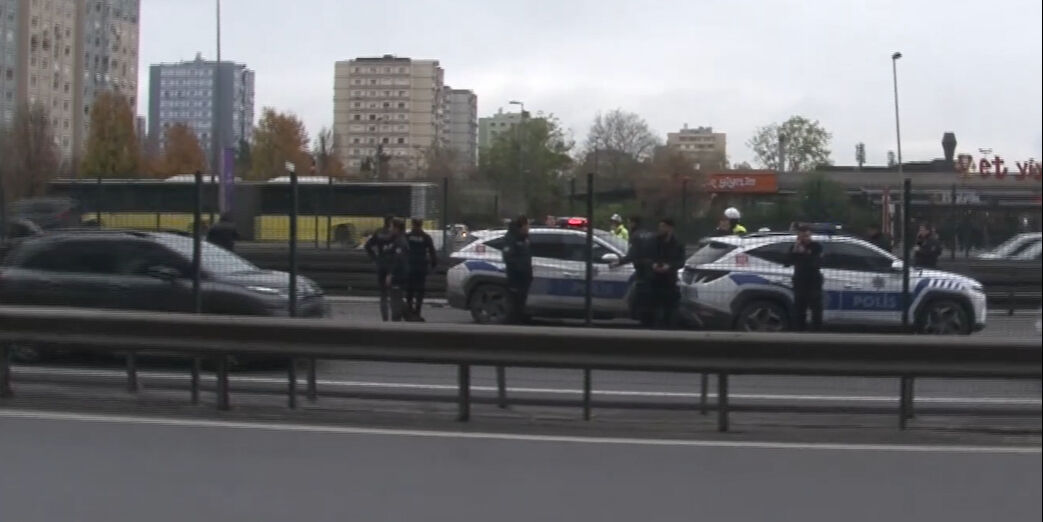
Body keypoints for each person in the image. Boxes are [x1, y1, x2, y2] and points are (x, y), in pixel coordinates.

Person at [615, 216, 657, 326]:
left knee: (635, 292)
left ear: (634, 223)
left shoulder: (635, 236)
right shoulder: (650, 234)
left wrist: (618, 262)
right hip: (653, 269)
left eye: (629, 223)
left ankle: (634, 314)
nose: (628, 225)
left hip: (642, 269)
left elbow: (632, 255)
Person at [649, 218, 686, 328]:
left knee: (670, 308)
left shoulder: (678, 243)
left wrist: (669, 266)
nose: (660, 229)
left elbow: (681, 262)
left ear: (670, 228)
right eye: (660, 226)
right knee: (655, 307)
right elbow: (648, 256)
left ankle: (669, 327)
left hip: (670, 280)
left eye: (663, 226)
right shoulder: (655, 241)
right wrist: (653, 265)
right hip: (655, 279)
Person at [785, 225, 824, 332]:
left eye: (807, 235)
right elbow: (786, 263)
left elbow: (816, 264)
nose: (805, 238)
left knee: (816, 311)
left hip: (813, 283)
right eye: (802, 236)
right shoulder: (795, 247)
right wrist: (794, 250)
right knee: (799, 310)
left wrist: (805, 253)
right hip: (800, 283)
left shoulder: (816, 246)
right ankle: (799, 332)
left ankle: (817, 333)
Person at [501, 215, 533, 323]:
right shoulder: (511, 238)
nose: (529, 227)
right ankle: (512, 322)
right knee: (514, 300)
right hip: (515, 276)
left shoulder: (525, 238)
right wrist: (520, 269)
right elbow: (508, 257)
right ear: (522, 226)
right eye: (527, 225)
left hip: (525, 276)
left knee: (521, 300)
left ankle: (520, 318)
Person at [405, 218, 438, 321]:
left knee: (409, 291)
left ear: (412, 224)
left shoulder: (408, 237)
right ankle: (417, 313)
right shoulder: (426, 237)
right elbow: (432, 253)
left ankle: (409, 312)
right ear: (421, 224)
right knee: (420, 291)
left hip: (409, 267)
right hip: (421, 268)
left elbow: (402, 250)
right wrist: (433, 266)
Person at [364, 215, 395, 321]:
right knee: (395, 293)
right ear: (390, 222)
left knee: (383, 294)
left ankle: (385, 318)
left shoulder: (378, 232)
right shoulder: (394, 234)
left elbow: (368, 245)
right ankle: (395, 317)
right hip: (392, 265)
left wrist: (374, 258)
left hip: (381, 264)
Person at [384, 219, 410, 322]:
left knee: (396, 298)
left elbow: (397, 260)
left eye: (392, 227)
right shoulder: (398, 240)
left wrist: (391, 274)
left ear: (397, 228)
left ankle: (397, 319)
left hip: (398, 275)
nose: (390, 229)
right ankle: (409, 316)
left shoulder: (400, 242)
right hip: (400, 274)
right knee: (397, 297)